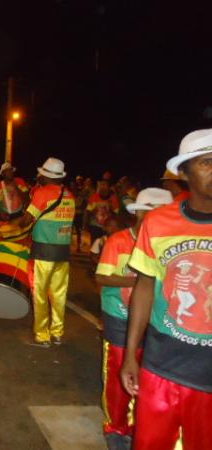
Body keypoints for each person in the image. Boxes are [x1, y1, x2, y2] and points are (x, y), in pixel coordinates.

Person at [121, 129, 212, 450]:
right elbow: (145, 286)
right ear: (184, 173)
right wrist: (131, 353)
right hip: (163, 366)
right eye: (206, 163)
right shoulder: (158, 223)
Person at [95, 188, 172, 450]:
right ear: (139, 213)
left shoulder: (167, 244)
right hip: (119, 316)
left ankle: (135, 424)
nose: (158, 216)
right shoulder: (118, 241)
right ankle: (116, 428)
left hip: (155, 322)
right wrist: (141, 279)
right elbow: (103, 277)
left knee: (148, 378)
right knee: (118, 374)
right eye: (152, 210)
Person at [18, 157, 75, 347]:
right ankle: (57, 332)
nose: (39, 175)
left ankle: (42, 335)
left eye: (41, 173)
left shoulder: (43, 193)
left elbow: (26, 220)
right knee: (59, 294)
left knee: (40, 294)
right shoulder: (69, 195)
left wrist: (20, 221)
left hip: (44, 252)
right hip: (63, 252)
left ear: (46, 175)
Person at [0, 162, 29, 238]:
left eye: (11, 170)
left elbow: (27, 199)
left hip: (19, 218)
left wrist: (16, 187)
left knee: (19, 242)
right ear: (3, 173)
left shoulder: (19, 181)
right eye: (8, 170)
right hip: (4, 220)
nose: (11, 172)